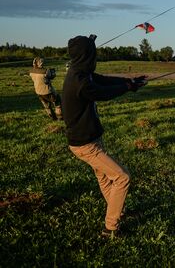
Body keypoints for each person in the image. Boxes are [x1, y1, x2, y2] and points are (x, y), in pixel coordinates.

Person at [62, 34, 147, 238]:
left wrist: (129, 82)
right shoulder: (80, 81)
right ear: (87, 55)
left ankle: (116, 212)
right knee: (122, 177)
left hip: (89, 140)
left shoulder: (81, 72)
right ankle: (110, 228)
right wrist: (127, 88)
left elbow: (104, 81)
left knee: (104, 177)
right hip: (85, 145)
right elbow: (102, 92)